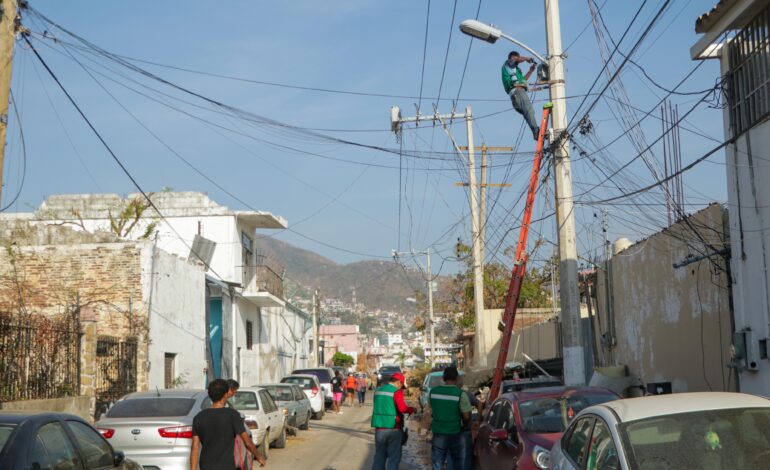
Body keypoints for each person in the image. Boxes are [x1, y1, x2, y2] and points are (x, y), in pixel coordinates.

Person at [191, 379, 266, 470]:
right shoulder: (232, 415)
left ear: (210, 395)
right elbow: (247, 442)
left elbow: (195, 447)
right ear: (226, 394)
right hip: (226, 466)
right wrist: (259, 456)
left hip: (206, 466)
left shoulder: (198, 417)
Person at [429, 366, 471, 470]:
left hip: (438, 433)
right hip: (455, 433)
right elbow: (466, 416)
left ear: (443, 378)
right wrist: (465, 424)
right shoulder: (461, 394)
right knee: (458, 464)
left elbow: (430, 412)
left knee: (437, 464)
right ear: (456, 379)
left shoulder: (433, 392)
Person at [371, 372, 416, 470]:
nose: (401, 388)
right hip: (393, 428)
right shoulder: (396, 391)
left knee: (379, 457)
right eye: (401, 386)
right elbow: (402, 408)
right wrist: (412, 409)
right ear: (398, 382)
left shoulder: (378, 390)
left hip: (379, 428)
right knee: (394, 458)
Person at [502, 51, 540, 140]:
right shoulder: (507, 65)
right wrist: (527, 58)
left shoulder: (516, 71)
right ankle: (536, 130)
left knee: (528, 113)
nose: (518, 60)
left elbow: (523, 80)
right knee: (529, 110)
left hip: (516, 97)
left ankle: (535, 132)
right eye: (516, 58)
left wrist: (530, 71)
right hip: (517, 92)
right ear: (512, 58)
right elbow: (514, 60)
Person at [457, 374, 483, 470]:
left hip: (455, 432)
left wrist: (477, 420)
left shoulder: (465, 394)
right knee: (467, 459)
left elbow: (479, 404)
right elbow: (479, 404)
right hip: (463, 432)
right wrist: (478, 420)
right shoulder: (465, 394)